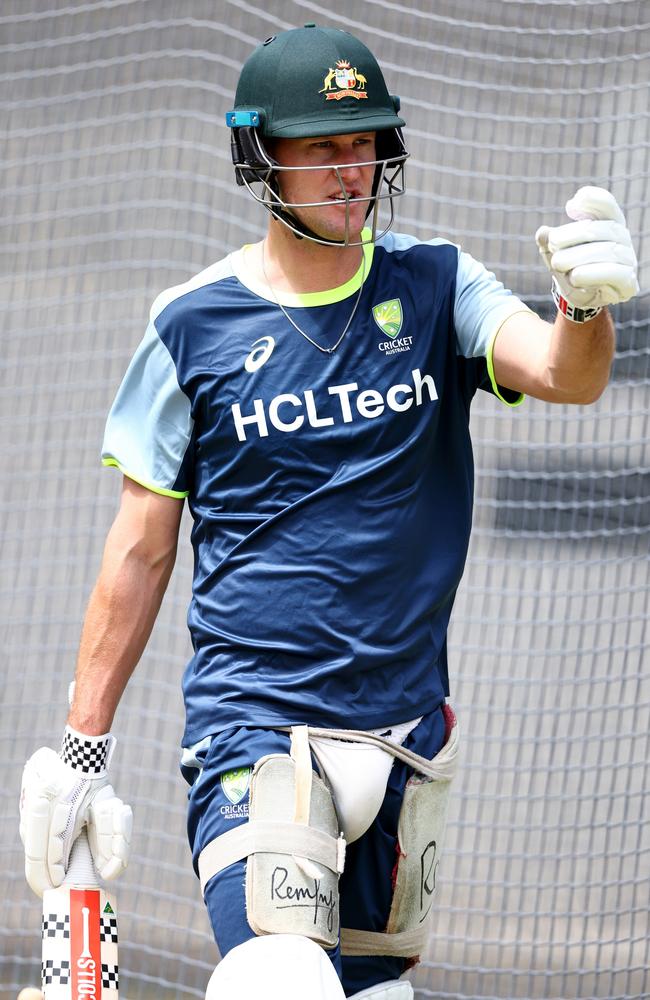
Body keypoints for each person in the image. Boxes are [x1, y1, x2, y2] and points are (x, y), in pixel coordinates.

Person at [19, 23, 638, 1000]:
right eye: (322, 148)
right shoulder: (190, 324)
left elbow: (565, 376)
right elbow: (139, 552)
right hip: (254, 731)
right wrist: (82, 751)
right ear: (261, 155)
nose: (352, 171)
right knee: (278, 982)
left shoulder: (437, 284)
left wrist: (585, 306)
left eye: (365, 145)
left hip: (404, 741)